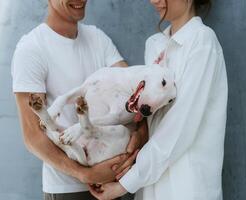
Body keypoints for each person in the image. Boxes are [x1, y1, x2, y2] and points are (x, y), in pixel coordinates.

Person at [88, 0, 228, 199]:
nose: (154, 0)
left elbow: (180, 126)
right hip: (152, 184)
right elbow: (152, 120)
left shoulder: (202, 41)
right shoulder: (155, 44)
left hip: (187, 184)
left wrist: (126, 184)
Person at [11, 0, 148, 199]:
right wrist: (85, 174)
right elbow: (32, 136)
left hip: (117, 186)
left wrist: (141, 136)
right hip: (68, 191)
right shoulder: (32, 48)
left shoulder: (98, 38)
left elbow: (135, 93)